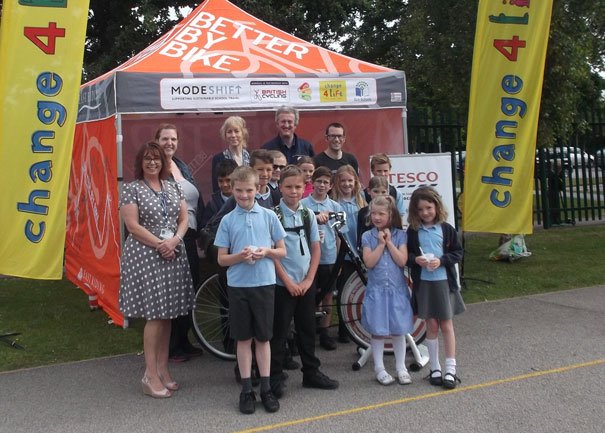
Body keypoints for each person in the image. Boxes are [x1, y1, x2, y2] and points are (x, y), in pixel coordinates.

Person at [118, 141, 194, 398]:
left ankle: (163, 370)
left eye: (157, 159)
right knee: (154, 315)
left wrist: (175, 240)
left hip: (172, 253)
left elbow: (183, 218)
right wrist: (161, 244)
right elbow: (132, 226)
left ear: (164, 162)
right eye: (147, 158)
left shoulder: (173, 186)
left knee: (168, 313)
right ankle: (150, 375)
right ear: (140, 162)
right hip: (145, 256)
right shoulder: (132, 189)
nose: (152, 163)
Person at [214, 166, 287, 414]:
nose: (244, 195)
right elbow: (222, 259)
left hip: (264, 284)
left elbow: (282, 250)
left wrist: (265, 252)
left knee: (263, 338)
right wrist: (240, 257)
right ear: (232, 189)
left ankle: (265, 387)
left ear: (258, 189)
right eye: (239, 190)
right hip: (238, 287)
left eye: (249, 190)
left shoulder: (269, 216)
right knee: (243, 338)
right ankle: (246, 389)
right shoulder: (227, 220)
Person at [270, 165, 340, 399]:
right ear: (279, 187)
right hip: (283, 284)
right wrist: (288, 282)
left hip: (305, 283)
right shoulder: (273, 215)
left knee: (307, 329)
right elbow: (272, 254)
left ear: (304, 188)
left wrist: (310, 279)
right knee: (279, 332)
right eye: (288, 186)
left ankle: (311, 372)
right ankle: (275, 376)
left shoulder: (307, 214)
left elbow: (315, 249)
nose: (293, 191)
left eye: (298, 186)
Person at [155, 123, 205, 362]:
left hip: (189, 236)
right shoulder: (153, 167)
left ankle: (184, 341)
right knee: (173, 292)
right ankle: (172, 346)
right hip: (170, 238)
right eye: (165, 139)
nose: (169, 143)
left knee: (188, 290)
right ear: (157, 141)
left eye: (173, 139)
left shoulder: (181, 165)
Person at [406, 186, 465, 390]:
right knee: (431, 326)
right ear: (415, 211)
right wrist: (417, 260)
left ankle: (450, 368)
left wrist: (441, 261)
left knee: (446, 325)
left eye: (428, 208)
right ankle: (435, 368)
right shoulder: (413, 232)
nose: (425, 213)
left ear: (437, 206)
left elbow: (458, 253)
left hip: (443, 283)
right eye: (420, 210)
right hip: (424, 284)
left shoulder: (446, 229)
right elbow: (408, 257)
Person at [361, 195, 414, 386]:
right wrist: (381, 244)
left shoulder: (401, 235)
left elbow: (402, 260)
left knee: (398, 330)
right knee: (378, 330)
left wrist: (389, 242)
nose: (376, 217)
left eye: (381, 214)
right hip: (377, 292)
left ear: (390, 215)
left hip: (396, 290)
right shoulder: (367, 236)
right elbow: (369, 262)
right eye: (373, 213)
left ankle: (401, 367)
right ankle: (379, 368)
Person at [301, 166, 343, 350]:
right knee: (309, 297)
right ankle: (308, 331)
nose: (322, 185)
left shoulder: (335, 207)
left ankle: (325, 332)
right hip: (308, 260)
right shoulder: (303, 204)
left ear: (331, 185)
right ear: (312, 182)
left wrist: (338, 262)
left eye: (326, 182)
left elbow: (340, 236)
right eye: (318, 181)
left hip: (329, 257)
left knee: (327, 296)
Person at [330, 164, 367, 342]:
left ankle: (359, 326)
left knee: (361, 289)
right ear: (337, 182)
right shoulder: (334, 202)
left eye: (350, 180)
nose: (346, 184)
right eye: (343, 181)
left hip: (360, 252)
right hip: (344, 252)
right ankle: (344, 330)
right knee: (344, 291)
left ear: (356, 181)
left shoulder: (361, 200)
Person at [211, 116, 251, 193]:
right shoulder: (218, 159)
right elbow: (216, 188)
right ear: (225, 135)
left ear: (243, 133)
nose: (233, 135)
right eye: (229, 132)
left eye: (236, 131)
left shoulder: (251, 156)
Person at [366, 153, 406, 219]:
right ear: (372, 171)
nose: (382, 174)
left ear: (389, 170)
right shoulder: (363, 195)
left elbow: (399, 217)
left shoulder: (396, 193)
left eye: (385, 171)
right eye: (379, 171)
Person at [357, 176, 389, 250]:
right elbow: (360, 237)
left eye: (383, 192)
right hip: (369, 252)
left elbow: (399, 235)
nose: (380, 195)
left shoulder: (393, 211)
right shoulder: (363, 212)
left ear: (387, 192)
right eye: (376, 191)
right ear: (368, 191)